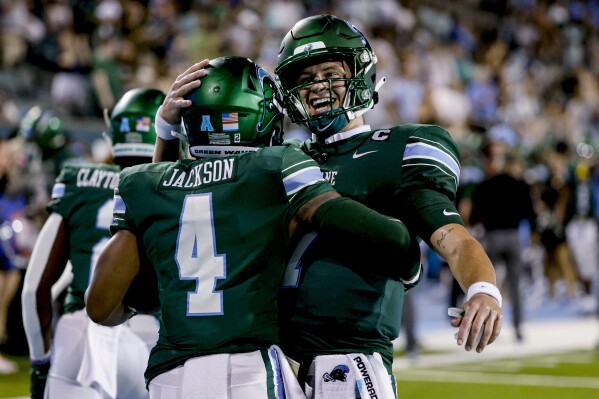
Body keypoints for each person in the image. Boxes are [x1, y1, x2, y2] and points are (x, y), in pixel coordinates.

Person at [86, 56, 416, 399]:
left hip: (169, 377)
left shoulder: (141, 183)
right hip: (249, 372)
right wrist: (409, 257)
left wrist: (164, 133)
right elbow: (382, 235)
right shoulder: (275, 166)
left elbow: (101, 307)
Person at [271, 14, 503, 397]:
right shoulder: (281, 158)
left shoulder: (395, 150)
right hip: (274, 361)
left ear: (359, 75)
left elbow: (455, 239)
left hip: (347, 362)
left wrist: (482, 289)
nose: (316, 87)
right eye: (305, 79)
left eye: (330, 72)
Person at [21, 87, 166, 399]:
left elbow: (34, 288)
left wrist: (39, 364)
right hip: (151, 336)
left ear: (114, 130)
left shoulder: (79, 178)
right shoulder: (174, 185)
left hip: (82, 335)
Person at [470, 145, 536, 342]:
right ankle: (518, 328)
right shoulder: (519, 184)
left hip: (492, 238)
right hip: (514, 237)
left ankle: (482, 328)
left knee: (486, 285)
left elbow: (475, 216)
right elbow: (530, 213)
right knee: (515, 286)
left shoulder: (484, 186)